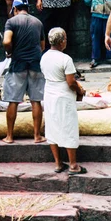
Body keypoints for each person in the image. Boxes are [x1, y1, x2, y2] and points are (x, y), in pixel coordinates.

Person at [40, 28, 87, 175]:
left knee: (52, 127)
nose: (66, 41)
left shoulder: (44, 57)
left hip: (49, 94)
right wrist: (80, 90)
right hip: (63, 96)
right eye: (65, 38)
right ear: (61, 42)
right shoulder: (65, 59)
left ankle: (58, 163)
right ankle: (73, 165)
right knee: (68, 128)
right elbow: (71, 83)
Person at [2, 0, 46, 144]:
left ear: (15, 9)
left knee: (13, 101)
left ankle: (9, 136)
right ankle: (37, 136)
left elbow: (7, 41)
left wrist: (10, 51)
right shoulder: (37, 22)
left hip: (18, 65)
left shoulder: (11, 22)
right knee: (36, 101)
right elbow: (42, 46)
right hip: (35, 65)